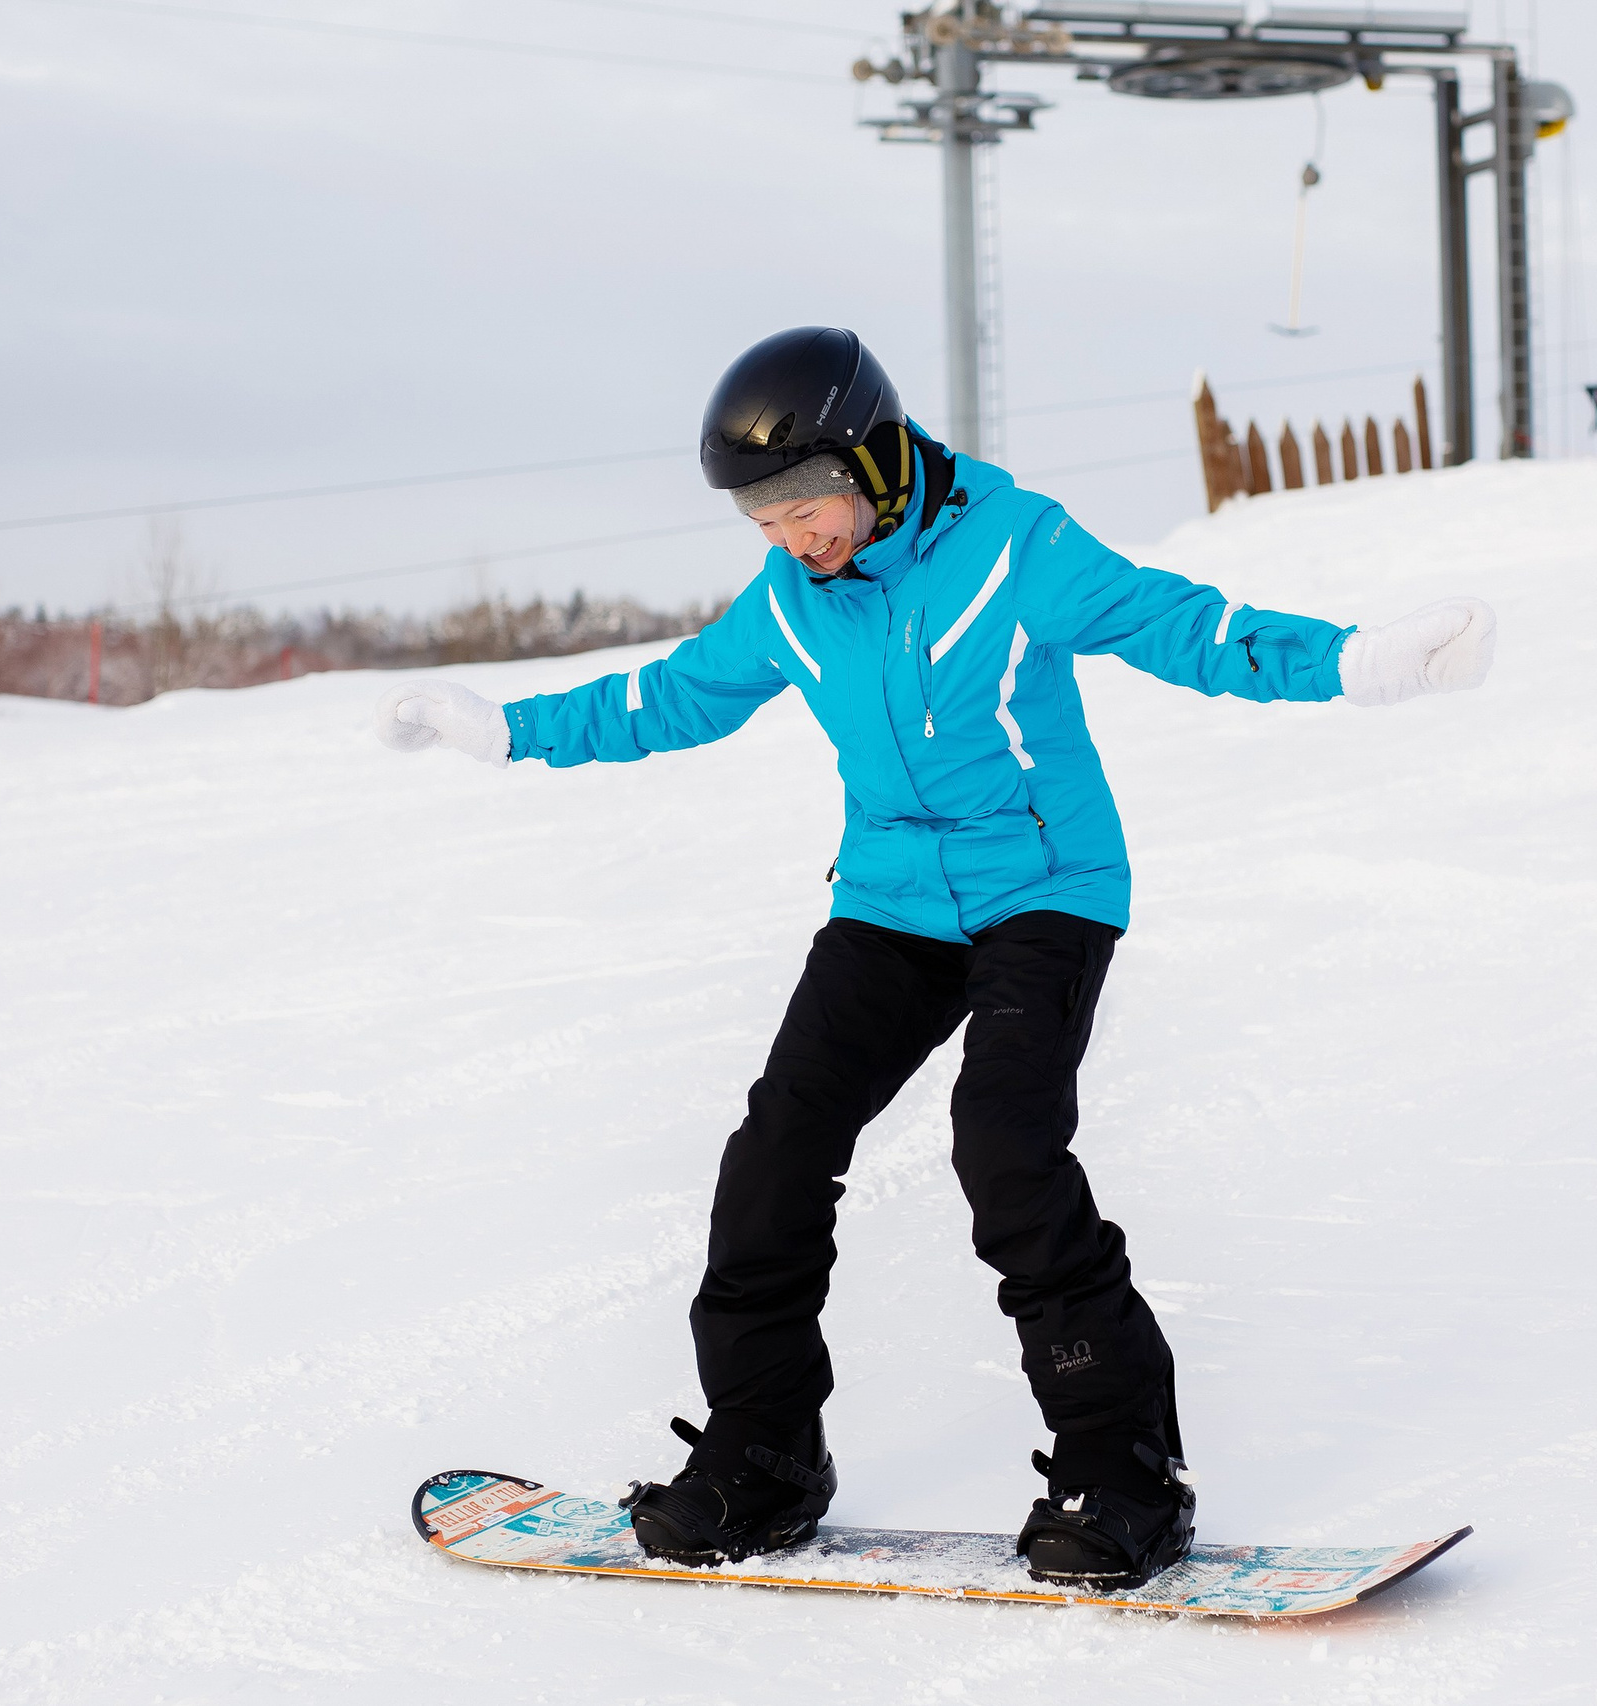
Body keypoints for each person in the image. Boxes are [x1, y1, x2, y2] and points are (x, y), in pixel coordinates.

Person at [375, 328, 1497, 1589]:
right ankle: (762, 1457)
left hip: (1042, 891)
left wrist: (1349, 661)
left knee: (1005, 1148)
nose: (792, 538)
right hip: (891, 905)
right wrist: (505, 731)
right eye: (763, 520)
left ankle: (1122, 1472)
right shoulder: (794, 601)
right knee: (775, 1155)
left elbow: (1184, 625)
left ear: (871, 454)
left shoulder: (1015, 547)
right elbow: (666, 699)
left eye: (804, 506)